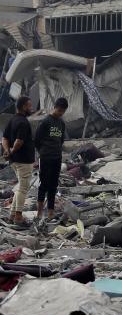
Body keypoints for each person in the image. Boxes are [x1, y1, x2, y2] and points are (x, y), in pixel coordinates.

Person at [2, 96, 34, 226]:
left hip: (15, 161)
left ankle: (12, 215)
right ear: (23, 107)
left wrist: (7, 152)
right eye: (29, 105)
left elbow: (4, 138)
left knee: (20, 188)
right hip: (24, 160)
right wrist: (12, 151)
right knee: (23, 189)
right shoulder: (23, 122)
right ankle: (19, 217)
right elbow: (19, 142)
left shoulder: (12, 120)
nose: (31, 108)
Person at [35, 97, 68, 221]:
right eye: (59, 110)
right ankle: (39, 213)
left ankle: (50, 213)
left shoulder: (61, 123)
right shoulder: (45, 122)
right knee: (44, 184)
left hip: (57, 157)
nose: (60, 113)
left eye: (62, 111)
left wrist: (56, 150)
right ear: (55, 107)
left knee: (53, 185)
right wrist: (42, 152)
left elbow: (61, 140)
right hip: (45, 157)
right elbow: (37, 140)